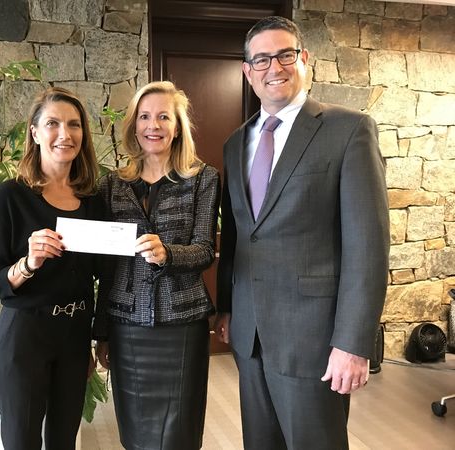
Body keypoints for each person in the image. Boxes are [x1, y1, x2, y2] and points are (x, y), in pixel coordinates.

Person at [214, 16, 390, 450]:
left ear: (304, 59)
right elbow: (238, 236)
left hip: (314, 340)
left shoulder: (348, 130)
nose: (274, 67)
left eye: (285, 55)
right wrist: (227, 309)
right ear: (246, 71)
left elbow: (368, 246)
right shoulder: (236, 144)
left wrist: (353, 343)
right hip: (250, 336)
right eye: (261, 59)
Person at [0, 87, 108, 450]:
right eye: (52, 123)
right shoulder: (11, 196)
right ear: (34, 132)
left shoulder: (94, 201)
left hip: (74, 335)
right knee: (21, 442)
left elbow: (104, 275)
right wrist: (28, 263)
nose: (65, 134)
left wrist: (101, 335)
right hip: (26, 337)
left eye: (74, 125)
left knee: (63, 442)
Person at [95, 81, 220, 450]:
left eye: (164, 116)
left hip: (182, 324)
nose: (154, 125)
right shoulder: (112, 184)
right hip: (127, 325)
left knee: (179, 434)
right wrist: (101, 332)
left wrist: (168, 254)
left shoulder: (202, 179)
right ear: (134, 126)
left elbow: (204, 250)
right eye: (145, 117)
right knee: (135, 432)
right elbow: (107, 267)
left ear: (177, 126)